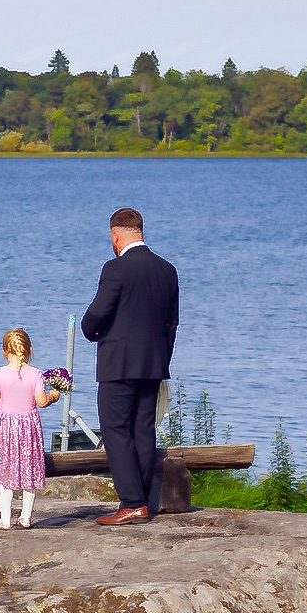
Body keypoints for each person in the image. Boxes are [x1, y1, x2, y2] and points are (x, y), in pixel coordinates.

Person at [81, 208, 179, 525]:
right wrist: (161, 359)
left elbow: (97, 314)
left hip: (118, 365)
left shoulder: (116, 269)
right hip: (153, 364)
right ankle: (145, 500)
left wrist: (91, 331)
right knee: (143, 430)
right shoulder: (168, 270)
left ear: (116, 235)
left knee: (116, 430)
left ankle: (132, 503)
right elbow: (172, 325)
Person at [0, 328, 61, 529]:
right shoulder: (35, 374)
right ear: (29, 350)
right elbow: (41, 402)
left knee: (4, 472)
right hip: (28, 429)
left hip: (5, 429)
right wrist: (53, 396)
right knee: (29, 470)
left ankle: (5, 519)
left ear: (5, 351)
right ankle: (25, 517)